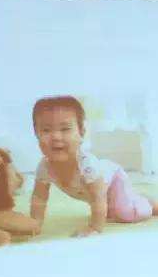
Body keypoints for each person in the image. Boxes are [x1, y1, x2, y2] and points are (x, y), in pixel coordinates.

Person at [30, 95, 158, 237]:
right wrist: (35, 223)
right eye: (46, 130)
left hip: (113, 179)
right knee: (109, 211)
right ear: (36, 134)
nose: (56, 136)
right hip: (98, 192)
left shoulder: (87, 166)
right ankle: (132, 198)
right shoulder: (44, 167)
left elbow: (97, 197)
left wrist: (94, 227)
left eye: (65, 129)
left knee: (127, 213)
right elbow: (39, 198)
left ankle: (150, 204)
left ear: (81, 133)